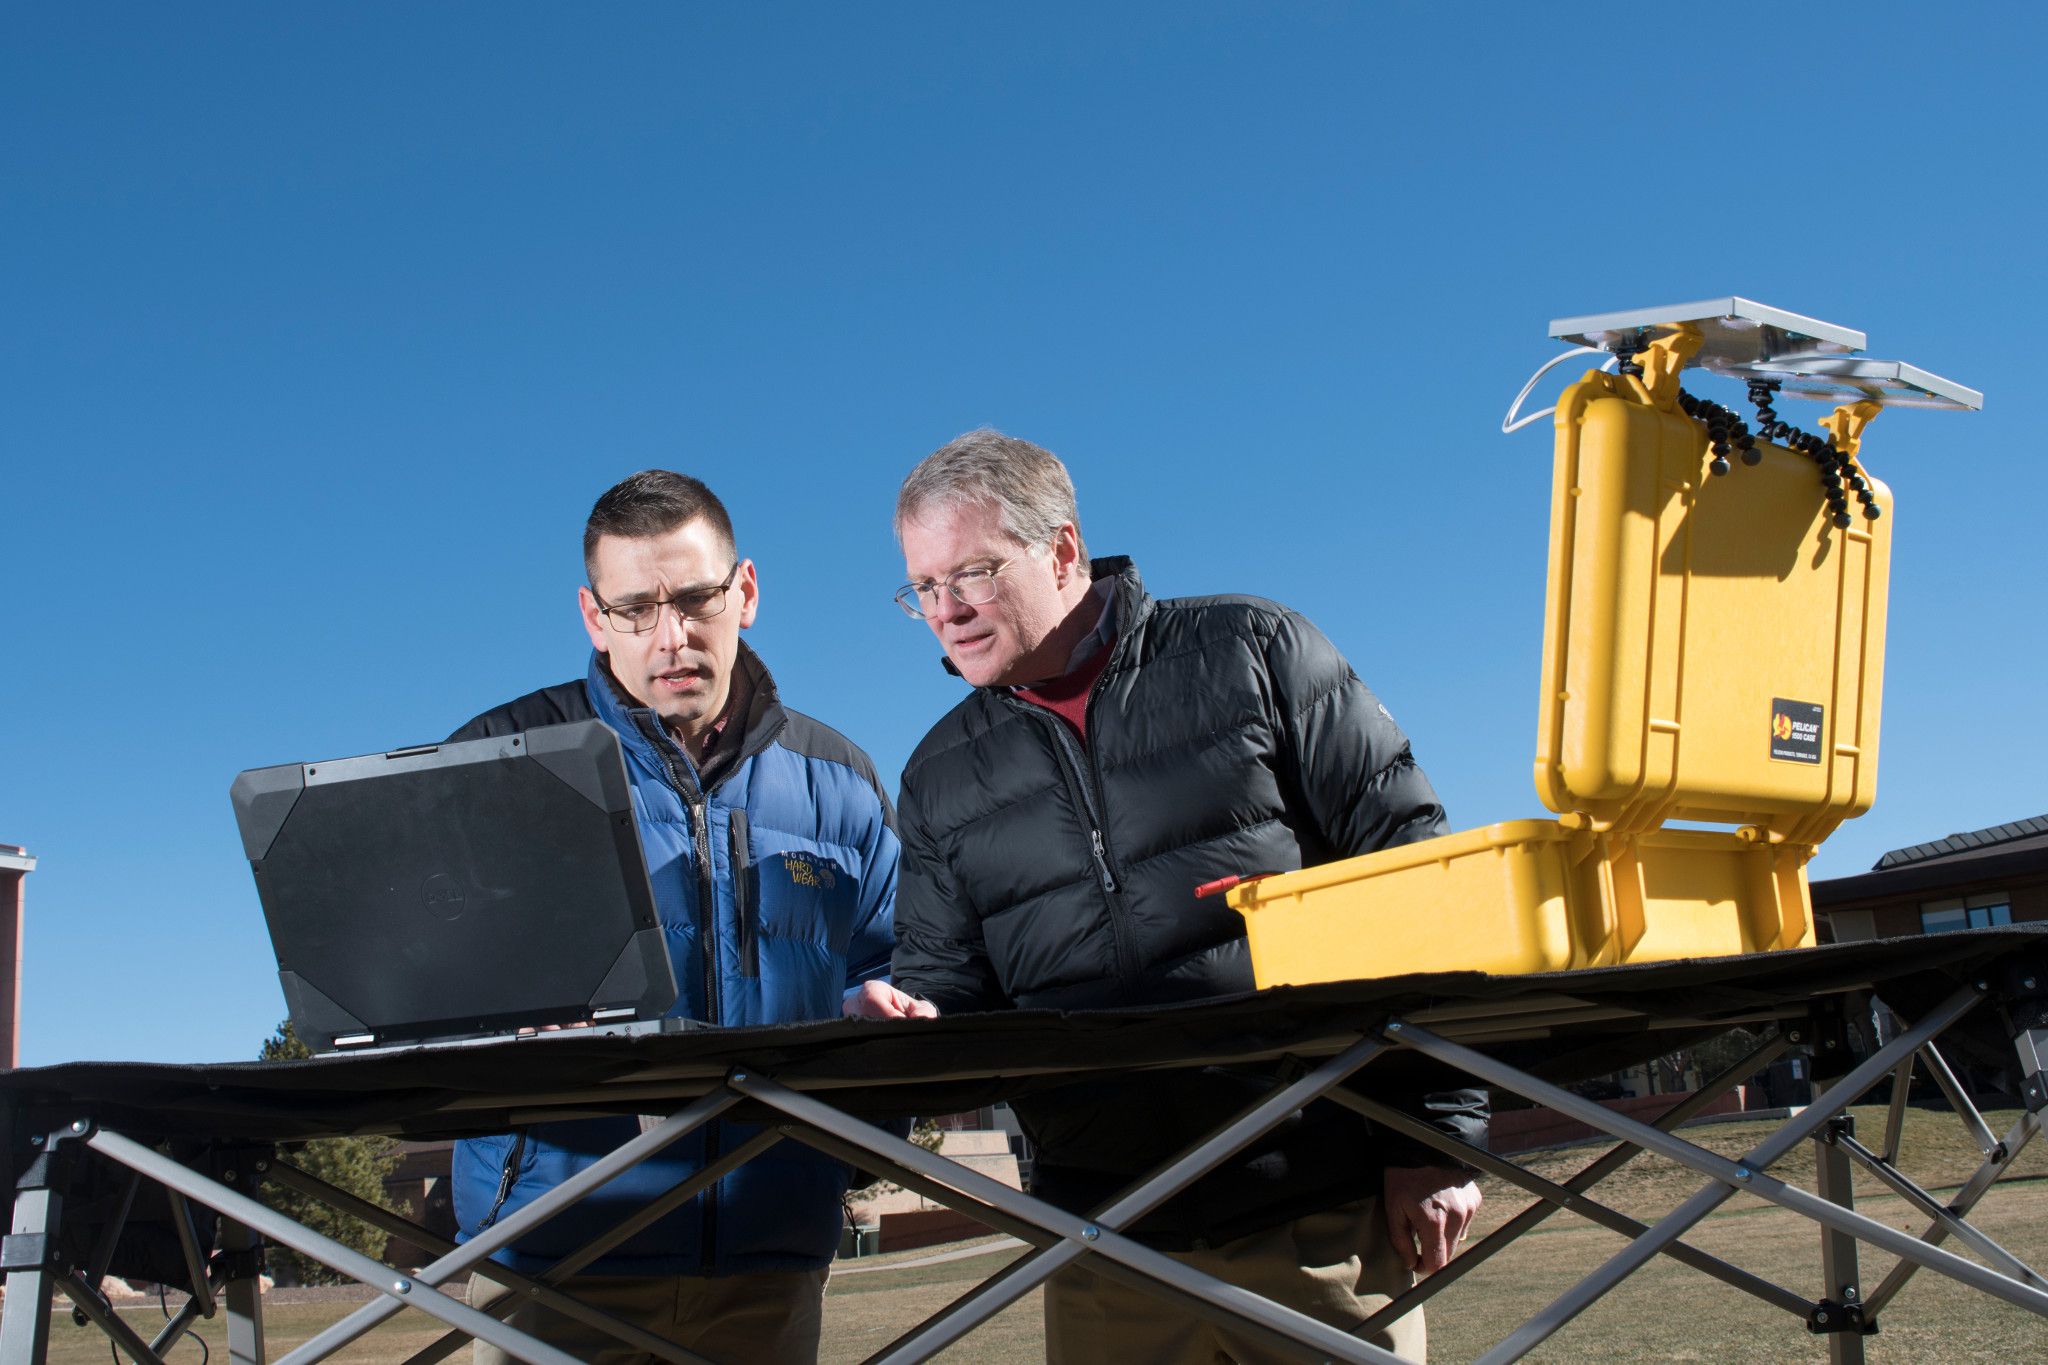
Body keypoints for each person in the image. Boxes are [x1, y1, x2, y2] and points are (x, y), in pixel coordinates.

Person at [846, 430, 1486, 1363]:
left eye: (973, 573)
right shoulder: (938, 775)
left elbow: (1417, 877)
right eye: (924, 588)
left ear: (1063, 549)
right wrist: (913, 1019)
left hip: (1322, 1219)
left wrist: (1437, 1132)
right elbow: (954, 995)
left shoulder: (1254, 651)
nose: (947, 610)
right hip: (1106, 1248)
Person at [449, 470, 906, 1365]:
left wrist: (883, 1019)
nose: (672, 637)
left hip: (769, 1256)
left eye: (697, 599)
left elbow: (891, 972)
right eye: (635, 609)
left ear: (745, 591)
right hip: (554, 1252)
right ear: (593, 616)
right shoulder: (500, 764)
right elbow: (432, 992)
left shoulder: (842, 779)